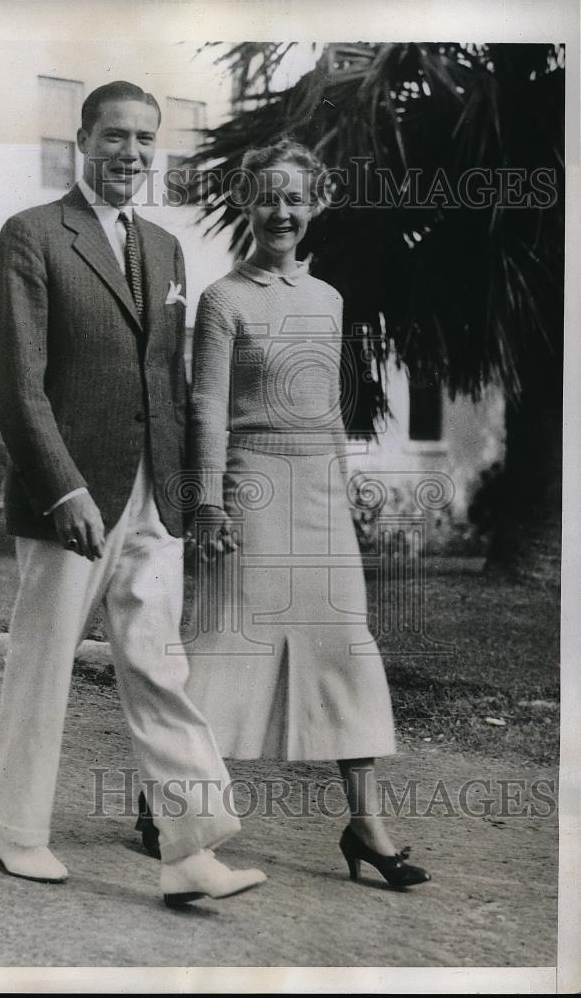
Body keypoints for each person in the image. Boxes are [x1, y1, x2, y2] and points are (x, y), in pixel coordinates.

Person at [0, 80, 266, 907]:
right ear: (82, 140)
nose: (131, 154)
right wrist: (63, 486)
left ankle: (191, 851)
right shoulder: (32, 235)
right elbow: (17, 384)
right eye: (115, 137)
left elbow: (169, 383)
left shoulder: (167, 250)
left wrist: (194, 497)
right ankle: (14, 831)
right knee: (43, 667)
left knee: (160, 666)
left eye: (145, 139)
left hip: (153, 500)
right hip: (68, 497)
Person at [181, 141, 431, 889]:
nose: (281, 212)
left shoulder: (327, 299)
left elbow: (326, 412)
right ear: (247, 204)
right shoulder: (222, 298)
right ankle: (175, 802)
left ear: (315, 204)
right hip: (250, 486)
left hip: (318, 492)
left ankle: (363, 823)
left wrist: (338, 485)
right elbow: (207, 408)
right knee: (228, 642)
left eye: (295, 199)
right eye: (266, 198)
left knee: (343, 646)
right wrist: (207, 500)